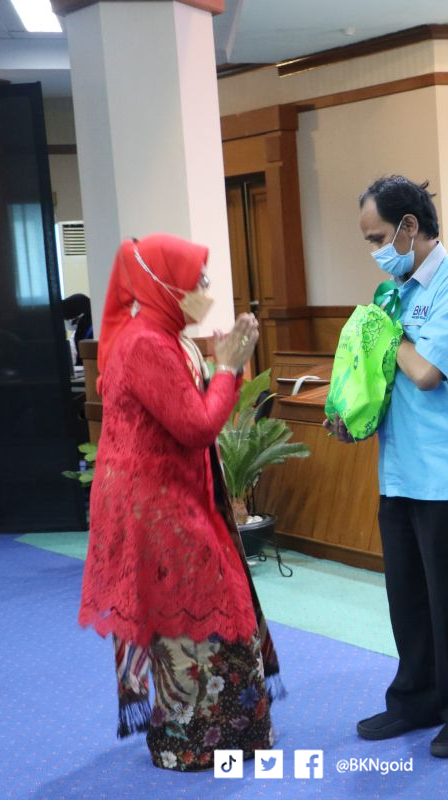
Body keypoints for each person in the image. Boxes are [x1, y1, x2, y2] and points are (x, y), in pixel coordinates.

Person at [78, 233, 283, 772]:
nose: (207, 290)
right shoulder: (146, 344)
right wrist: (228, 368)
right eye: (199, 281)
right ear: (166, 286)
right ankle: (194, 741)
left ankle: (222, 732)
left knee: (217, 598)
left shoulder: (168, 337)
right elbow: (196, 427)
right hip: (155, 505)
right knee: (198, 605)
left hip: (172, 495)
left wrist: (222, 364)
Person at [326, 176, 448, 758]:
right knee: (408, 598)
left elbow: (425, 372)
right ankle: (415, 698)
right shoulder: (392, 293)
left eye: (378, 238)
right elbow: (379, 376)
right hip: (400, 471)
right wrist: (350, 415)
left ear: (409, 226)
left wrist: (386, 330)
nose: (374, 251)